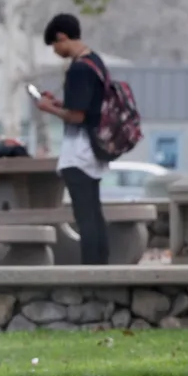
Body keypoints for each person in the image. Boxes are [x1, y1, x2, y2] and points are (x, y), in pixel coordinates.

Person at [35, 14, 110, 264]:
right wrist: (59, 103)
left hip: (79, 153)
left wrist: (48, 109)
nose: (55, 51)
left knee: (85, 215)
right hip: (95, 149)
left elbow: (77, 116)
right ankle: (102, 266)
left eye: (54, 46)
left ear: (61, 37)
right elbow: (86, 107)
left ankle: (91, 270)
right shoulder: (96, 62)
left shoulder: (78, 68)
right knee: (95, 213)